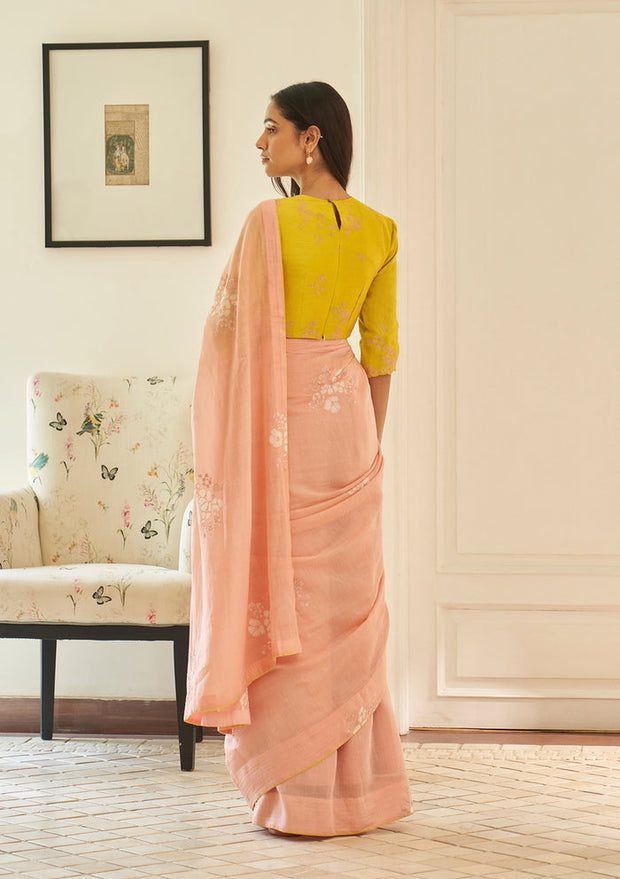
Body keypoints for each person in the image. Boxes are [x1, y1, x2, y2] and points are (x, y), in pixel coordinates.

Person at [185, 81, 412, 837]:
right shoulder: (381, 231)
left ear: (310, 139)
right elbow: (380, 353)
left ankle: (294, 793)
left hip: (278, 423)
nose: (260, 143)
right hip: (347, 425)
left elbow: (226, 340)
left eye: (271, 128)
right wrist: (369, 452)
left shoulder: (268, 222)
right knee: (340, 607)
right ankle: (355, 791)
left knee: (284, 596)